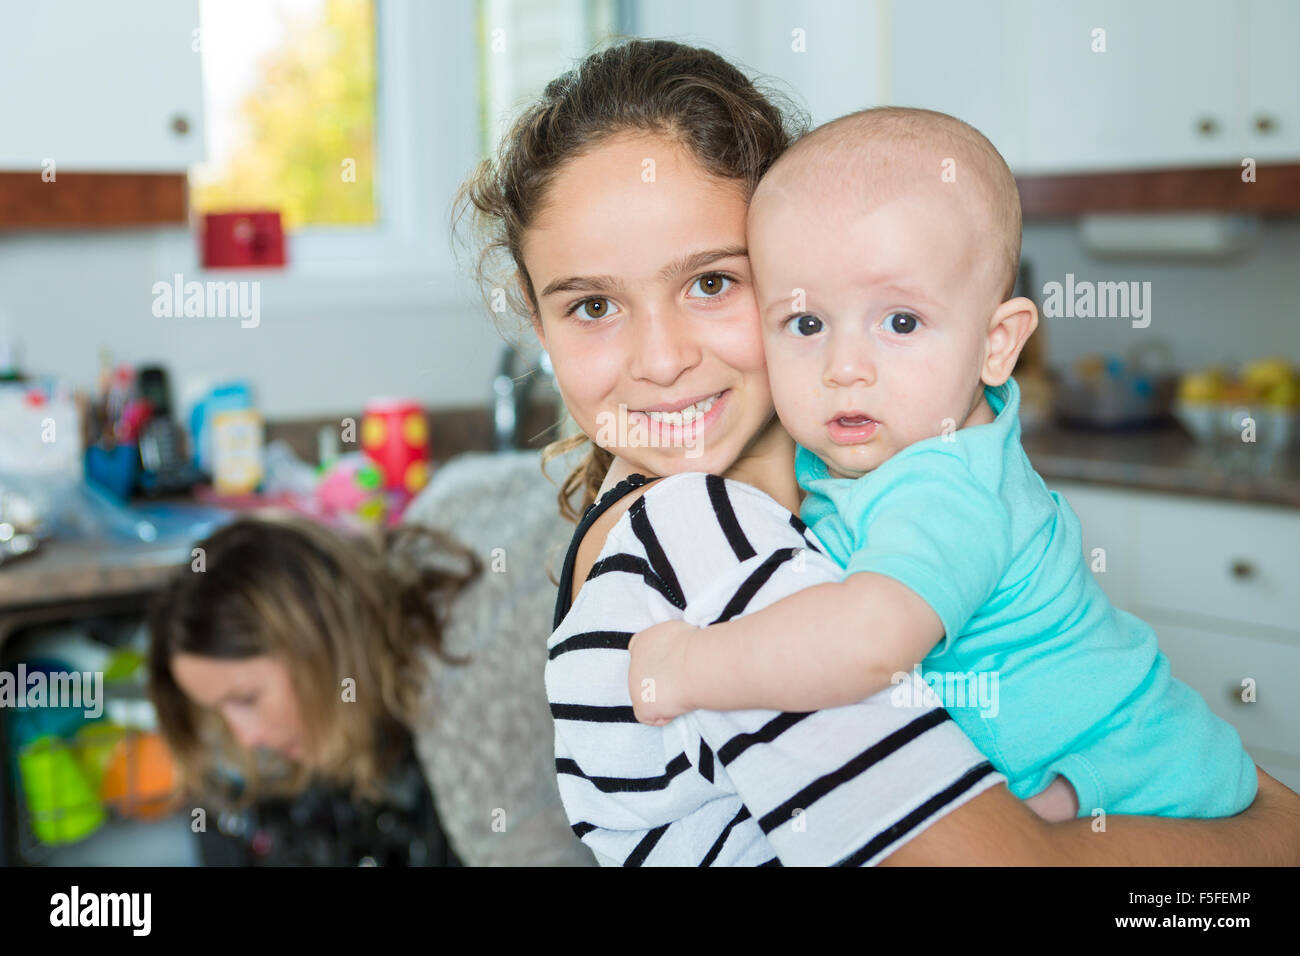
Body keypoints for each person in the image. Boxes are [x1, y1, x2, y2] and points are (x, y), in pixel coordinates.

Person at [456, 36, 1300, 865]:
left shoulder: (853, 491)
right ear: (540, 328)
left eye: (712, 282)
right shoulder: (698, 535)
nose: (662, 357)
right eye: (593, 306)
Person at [623, 107, 1257, 823]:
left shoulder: (946, 483)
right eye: (806, 324)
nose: (845, 368)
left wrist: (686, 668)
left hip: (1141, 783)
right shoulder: (871, 447)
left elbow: (865, 642)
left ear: (997, 343)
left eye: (900, 322)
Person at [148, 451, 598, 866]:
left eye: (246, 698)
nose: (245, 739)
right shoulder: (447, 496)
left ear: (316, 641)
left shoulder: (469, 728)